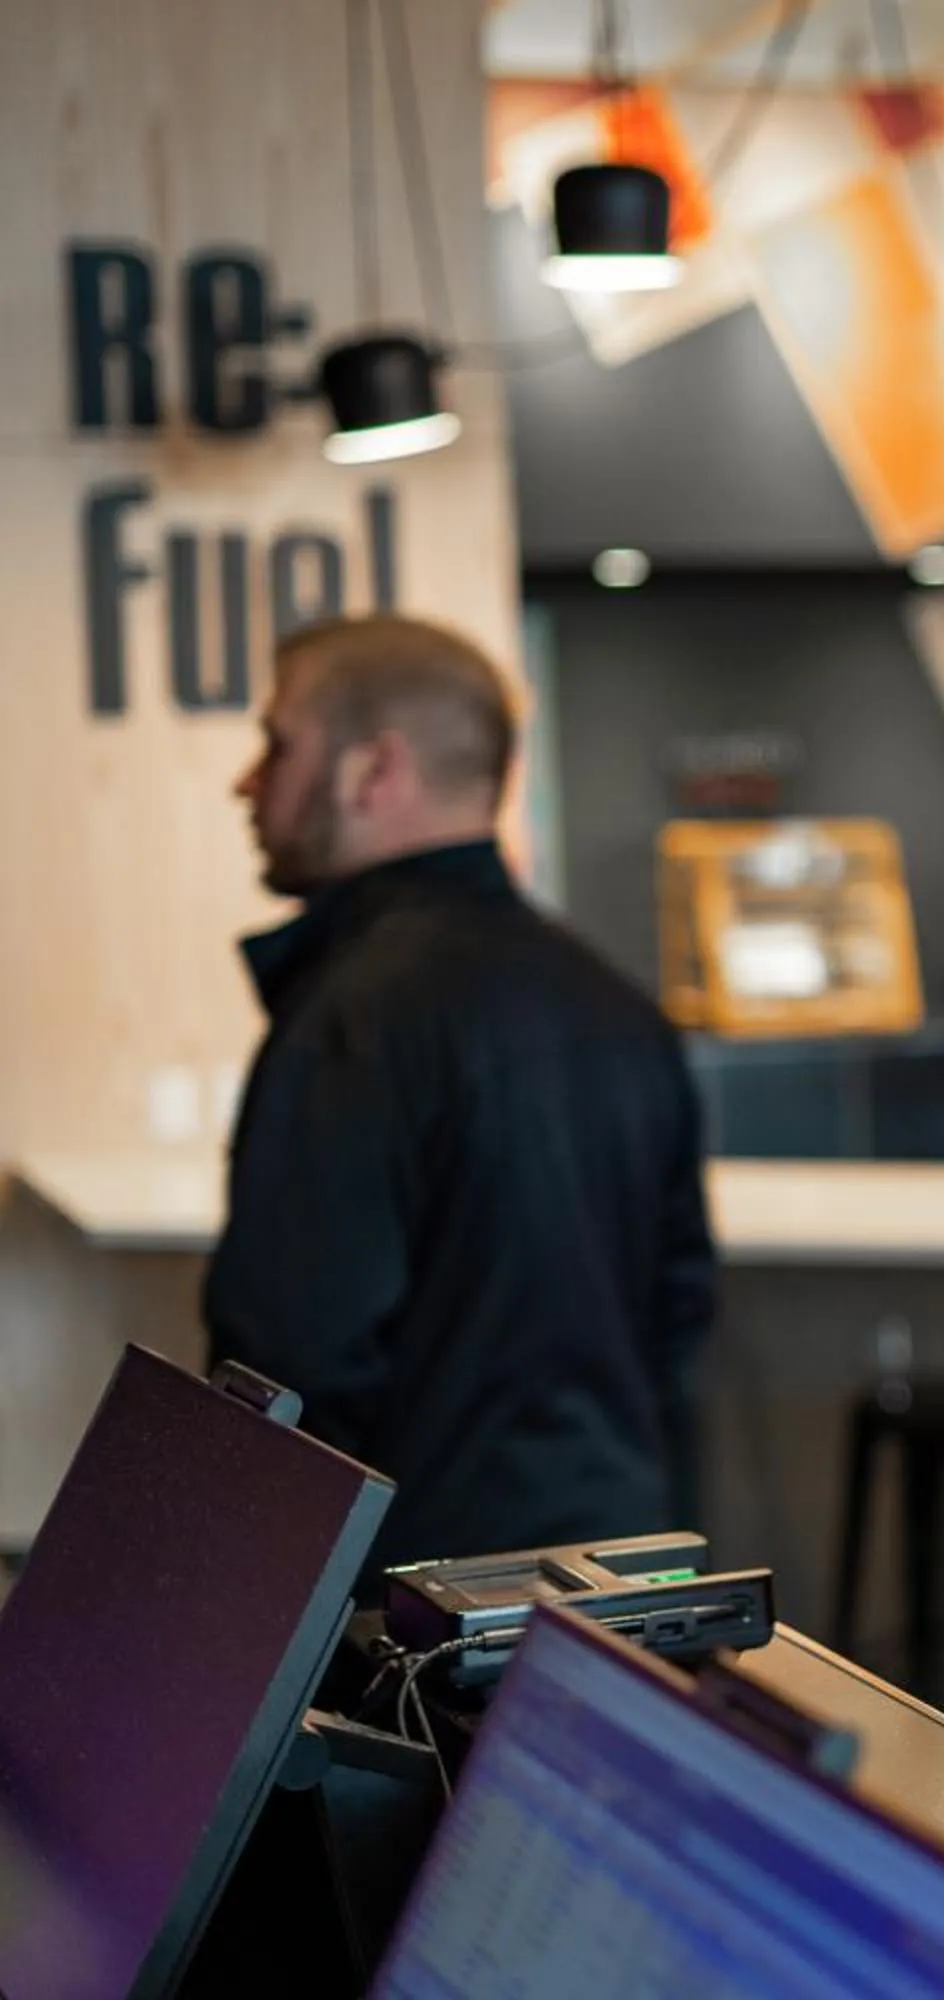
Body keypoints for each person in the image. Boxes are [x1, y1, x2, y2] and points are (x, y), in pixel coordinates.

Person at [207, 613, 716, 1590]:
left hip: (404, 1617)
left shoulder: (354, 1014)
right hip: (612, 1589)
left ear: (374, 769)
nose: (248, 780)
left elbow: (290, 1369)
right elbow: (677, 1324)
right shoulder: (620, 1009)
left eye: (277, 742)